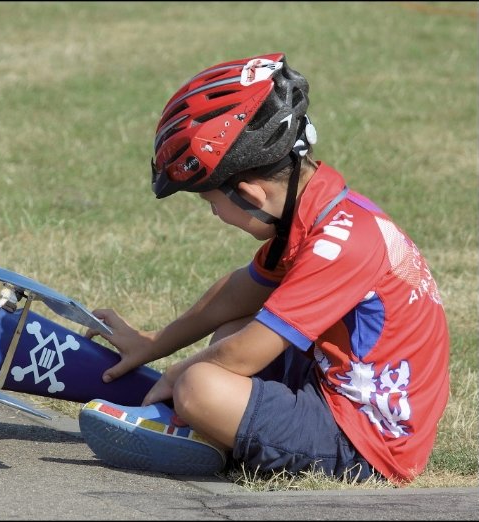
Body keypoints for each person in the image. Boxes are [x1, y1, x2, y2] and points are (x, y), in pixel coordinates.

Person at [78, 52, 450, 485]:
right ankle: (212, 432)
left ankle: (203, 430)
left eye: (210, 202)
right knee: (230, 331)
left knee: (200, 385)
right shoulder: (319, 213)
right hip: (335, 390)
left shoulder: (339, 246)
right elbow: (237, 295)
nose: (214, 214)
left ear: (250, 195)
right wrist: (152, 343)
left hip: (367, 444)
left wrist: (176, 376)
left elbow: (245, 356)